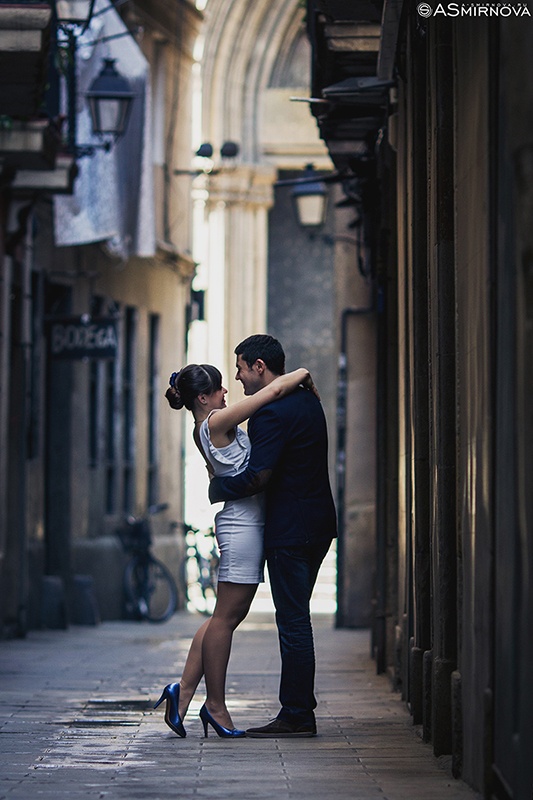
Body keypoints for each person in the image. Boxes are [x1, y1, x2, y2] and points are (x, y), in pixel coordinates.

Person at [154, 361, 318, 738]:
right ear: (203, 398)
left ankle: (182, 693)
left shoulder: (203, 428)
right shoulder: (215, 423)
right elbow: (272, 392)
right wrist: (302, 373)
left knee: (222, 617)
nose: (226, 392)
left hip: (243, 523)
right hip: (243, 527)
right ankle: (215, 705)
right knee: (226, 619)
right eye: (219, 388)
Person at [208, 334, 337, 738]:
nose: (238, 377)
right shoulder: (308, 400)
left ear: (259, 367)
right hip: (318, 523)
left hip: (290, 530)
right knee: (297, 617)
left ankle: (297, 714)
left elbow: (258, 477)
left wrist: (218, 488)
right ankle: (297, 710)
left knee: (294, 621)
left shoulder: (269, 414)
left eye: (241, 368)